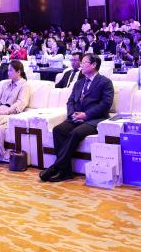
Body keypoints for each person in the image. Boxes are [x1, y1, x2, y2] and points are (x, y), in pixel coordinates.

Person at [40, 54, 114, 183]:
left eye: (84, 62)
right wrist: (72, 114)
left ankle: (56, 167)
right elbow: (70, 102)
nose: (81, 65)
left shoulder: (105, 82)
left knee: (76, 133)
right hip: (76, 117)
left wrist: (86, 115)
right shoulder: (79, 83)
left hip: (94, 119)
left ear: (94, 65)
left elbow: (105, 105)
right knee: (58, 130)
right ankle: (65, 171)